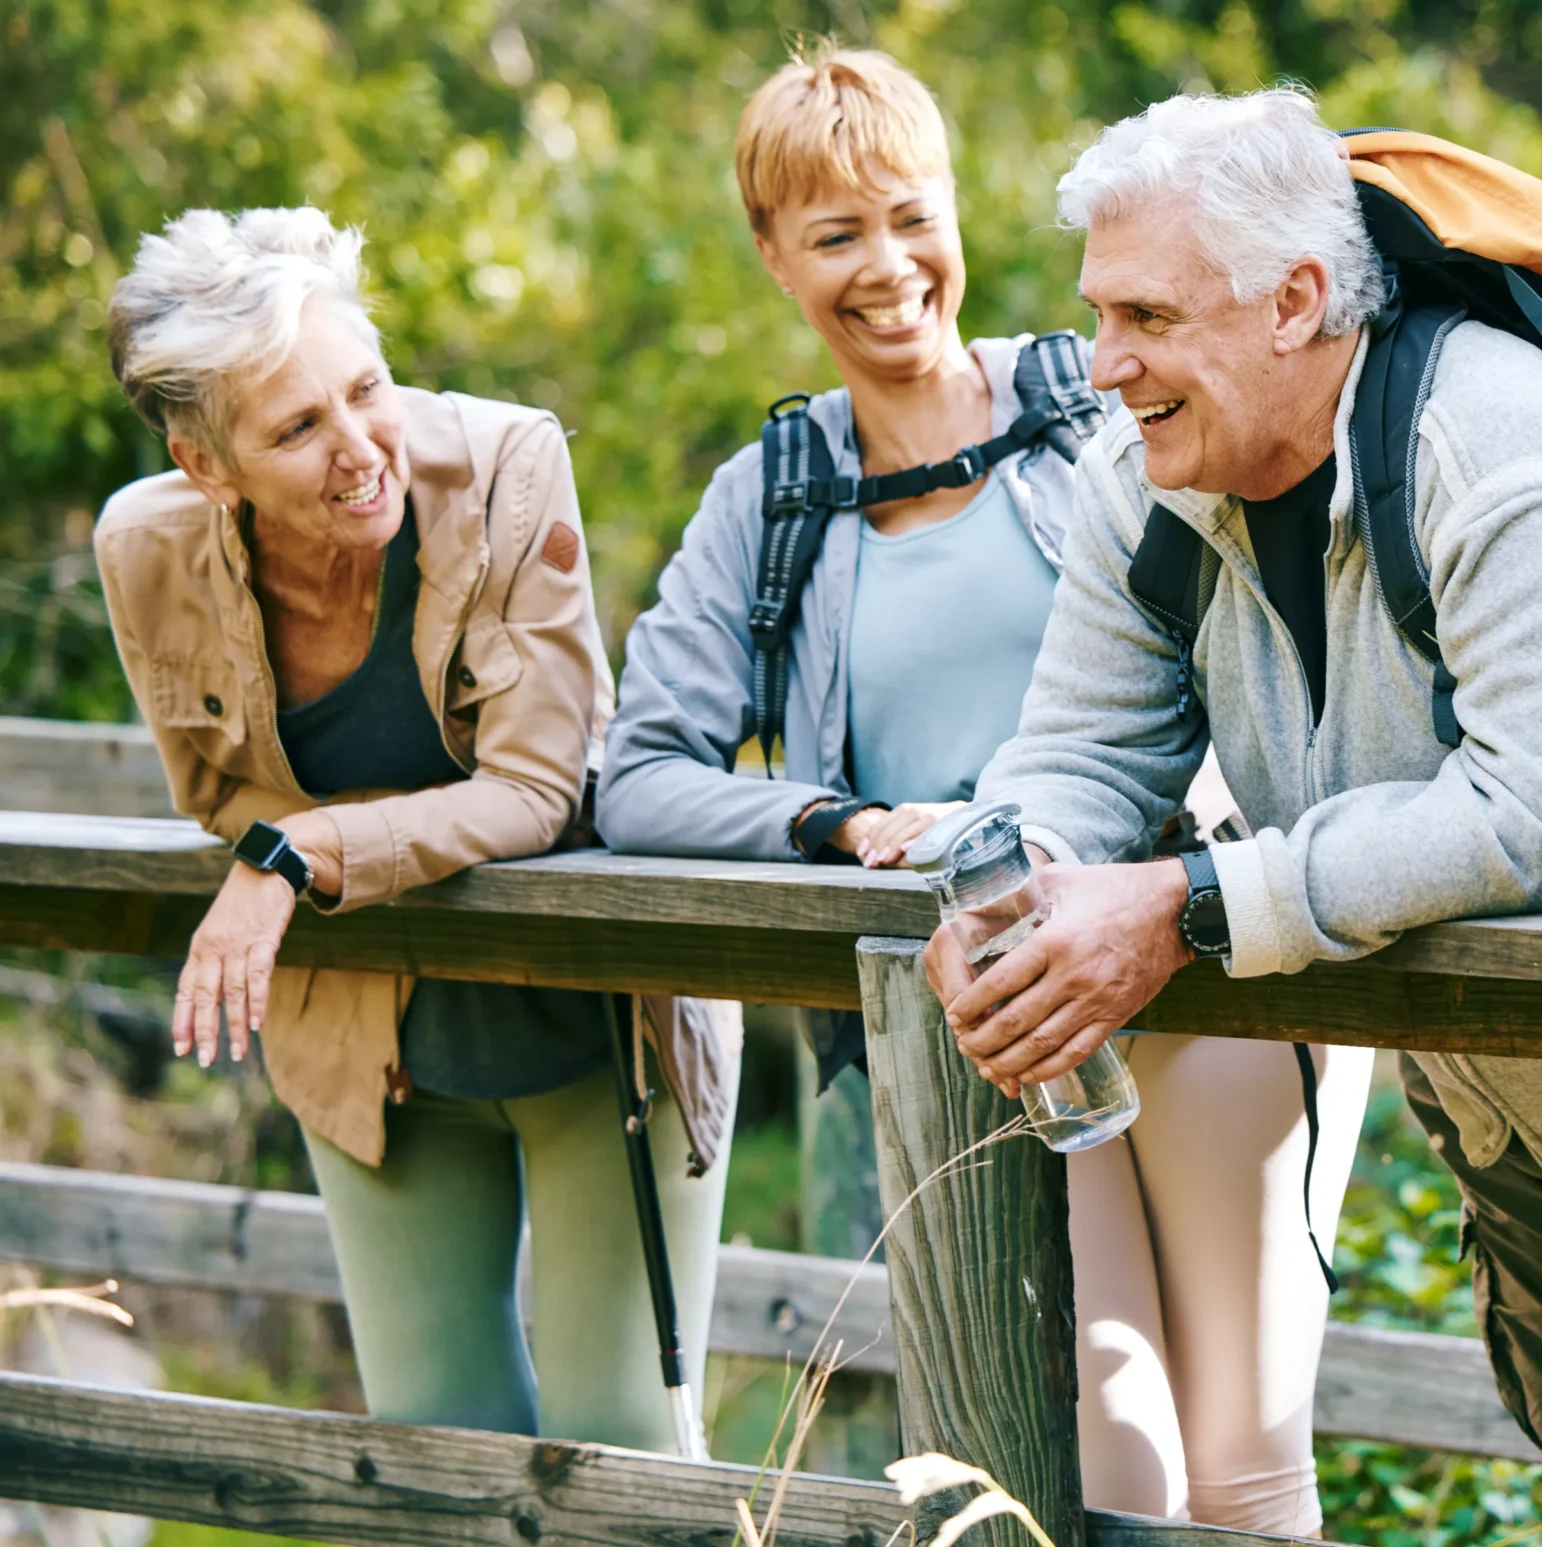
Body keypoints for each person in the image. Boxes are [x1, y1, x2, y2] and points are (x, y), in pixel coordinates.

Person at [928, 88, 1542, 1547]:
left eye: (1147, 316)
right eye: (1098, 313)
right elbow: (1074, 749)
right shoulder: (1144, 476)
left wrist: (1180, 904)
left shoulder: (1498, 435)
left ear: (1295, 299)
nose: (1103, 362)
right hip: (1505, 1100)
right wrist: (1027, 876)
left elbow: (1535, 818)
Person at [592, 51, 1371, 1534]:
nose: (887, 269)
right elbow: (638, 774)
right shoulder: (772, 494)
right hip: (985, 1009)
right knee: (1088, 1430)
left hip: (1197, 933)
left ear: (954, 211)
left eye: (909, 216)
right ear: (772, 256)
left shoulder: (1103, 397)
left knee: (1246, 1443)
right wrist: (839, 821)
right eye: (834, 236)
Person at [95, 207, 739, 1450]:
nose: (358, 449)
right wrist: (280, 843)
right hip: (368, 1045)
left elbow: (539, 786)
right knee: (437, 1453)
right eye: (297, 427)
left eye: (366, 388)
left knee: (625, 1454)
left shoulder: (506, 466)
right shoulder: (147, 548)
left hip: (598, 1036)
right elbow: (217, 796)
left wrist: (300, 854)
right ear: (205, 464)